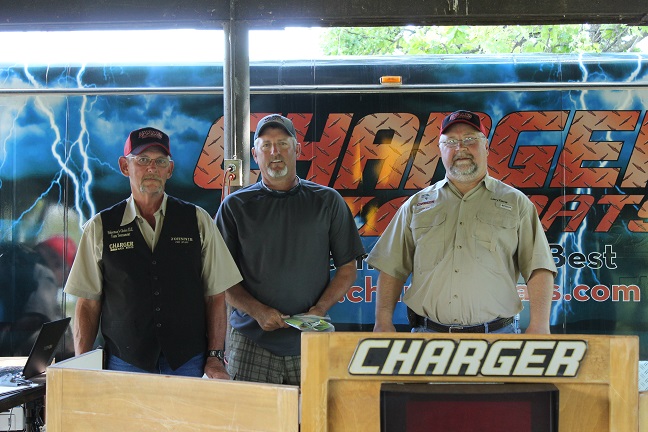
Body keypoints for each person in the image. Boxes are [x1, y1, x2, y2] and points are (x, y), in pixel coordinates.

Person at [64, 127, 242, 378]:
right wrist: (81, 368)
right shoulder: (100, 227)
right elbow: (88, 303)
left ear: (170, 170)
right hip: (125, 364)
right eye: (142, 160)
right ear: (125, 166)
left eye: (160, 161)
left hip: (187, 363)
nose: (152, 168)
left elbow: (215, 296)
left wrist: (214, 357)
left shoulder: (198, 220)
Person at [366, 110, 556, 334]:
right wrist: (382, 321)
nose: (460, 148)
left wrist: (540, 326)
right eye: (451, 142)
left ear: (486, 147)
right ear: (441, 150)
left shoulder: (516, 203)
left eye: (469, 139)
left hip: (497, 338)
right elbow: (392, 266)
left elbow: (538, 267)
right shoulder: (416, 205)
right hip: (428, 338)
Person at [215, 114, 365, 385]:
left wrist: (320, 309)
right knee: (250, 413)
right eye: (266, 145)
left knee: (315, 411)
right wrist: (257, 311)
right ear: (255, 154)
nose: (275, 152)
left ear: (297, 150)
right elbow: (220, 278)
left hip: (311, 340)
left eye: (283, 144)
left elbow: (347, 269)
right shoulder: (234, 207)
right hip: (250, 342)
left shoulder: (327, 201)